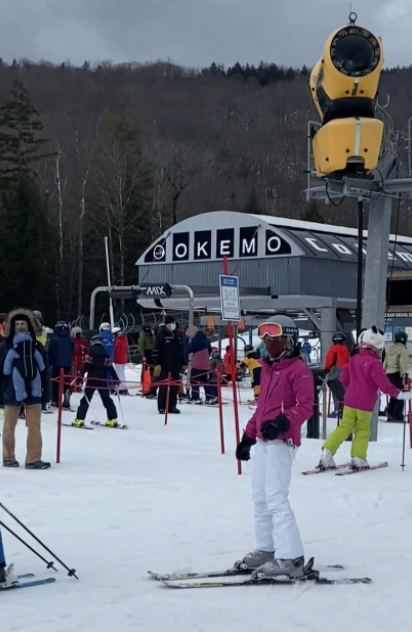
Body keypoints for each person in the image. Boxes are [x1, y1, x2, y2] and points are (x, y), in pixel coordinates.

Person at [235, 316, 314, 579]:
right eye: (266, 339)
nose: (269, 344)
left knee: (276, 498)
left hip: (282, 441)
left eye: (275, 339)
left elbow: (305, 407)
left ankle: (291, 557)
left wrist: (282, 421)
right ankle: (267, 549)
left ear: (288, 340)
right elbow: (262, 409)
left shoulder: (298, 371)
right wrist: (248, 437)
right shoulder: (268, 369)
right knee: (260, 496)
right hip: (263, 441)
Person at [318, 327, 412, 470]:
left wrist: (351, 389)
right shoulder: (374, 363)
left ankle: (327, 452)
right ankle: (358, 457)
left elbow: (343, 377)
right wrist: (399, 394)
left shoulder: (354, 359)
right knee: (362, 430)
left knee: (344, 427)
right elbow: (383, 383)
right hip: (365, 403)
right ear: (377, 347)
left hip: (349, 400)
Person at [0, 308, 51, 469]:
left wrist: (47, 392)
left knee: (25, 426)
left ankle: (20, 458)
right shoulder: (32, 346)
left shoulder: (7, 346)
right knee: (16, 426)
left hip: (13, 392)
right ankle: (24, 458)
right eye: (17, 323)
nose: (20, 326)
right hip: (24, 391)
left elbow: (45, 372)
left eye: (23, 323)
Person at [73, 335, 119, 427]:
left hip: (92, 379)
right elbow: (110, 367)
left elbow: (85, 366)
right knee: (106, 399)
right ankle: (112, 419)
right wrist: (115, 379)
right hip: (102, 379)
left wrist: (80, 377)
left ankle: (79, 419)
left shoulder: (90, 352)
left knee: (86, 399)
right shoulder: (105, 353)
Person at [152, 316, 185, 414]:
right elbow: (156, 350)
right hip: (164, 365)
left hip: (175, 365)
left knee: (174, 387)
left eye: (174, 323)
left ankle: (172, 406)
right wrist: (157, 363)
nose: (173, 325)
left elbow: (182, 349)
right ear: (167, 324)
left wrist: (183, 363)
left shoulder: (178, 334)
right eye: (171, 323)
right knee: (163, 387)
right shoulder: (161, 334)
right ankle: (162, 406)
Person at [48, 321, 74, 410]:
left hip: (56, 363)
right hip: (67, 364)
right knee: (66, 381)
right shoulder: (70, 339)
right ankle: (67, 393)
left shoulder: (54, 338)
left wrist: (49, 363)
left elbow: (50, 351)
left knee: (55, 382)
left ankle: (55, 400)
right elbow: (73, 351)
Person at [384, 331, 409, 423]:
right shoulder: (402, 350)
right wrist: (404, 377)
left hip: (388, 374)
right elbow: (403, 365)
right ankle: (397, 416)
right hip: (397, 373)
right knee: (401, 394)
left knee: (394, 393)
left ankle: (391, 412)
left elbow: (385, 363)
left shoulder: (389, 349)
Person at [325, 332, 351, 417]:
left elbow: (329, 362)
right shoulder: (346, 350)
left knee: (335, 392)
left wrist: (326, 371)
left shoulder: (333, 349)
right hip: (345, 373)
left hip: (335, 373)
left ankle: (337, 410)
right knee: (343, 391)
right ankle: (343, 409)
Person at [185, 326, 211, 403]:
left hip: (197, 364)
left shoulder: (196, 340)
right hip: (205, 364)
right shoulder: (206, 339)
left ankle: (195, 397)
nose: (190, 337)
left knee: (194, 380)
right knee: (205, 381)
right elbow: (209, 349)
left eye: (190, 335)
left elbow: (188, 350)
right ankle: (210, 397)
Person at [71, 327, 88, 392]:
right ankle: (73, 386)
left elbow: (85, 350)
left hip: (79, 360)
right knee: (73, 373)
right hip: (74, 360)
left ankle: (78, 386)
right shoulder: (72, 340)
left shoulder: (82, 341)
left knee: (79, 373)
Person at [113, 327, 129, 395]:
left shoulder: (118, 341)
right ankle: (124, 387)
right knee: (122, 373)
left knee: (119, 374)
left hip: (118, 359)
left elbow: (115, 351)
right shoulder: (124, 339)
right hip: (123, 358)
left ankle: (121, 388)